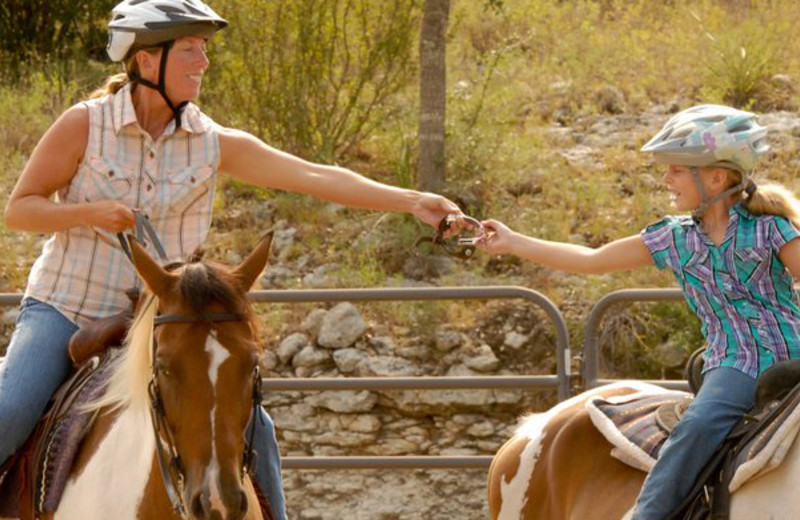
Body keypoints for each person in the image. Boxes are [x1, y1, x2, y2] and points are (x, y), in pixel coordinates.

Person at [0, 0, 466, 518]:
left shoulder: (212, 142)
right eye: (191, 50)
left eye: (204, 50)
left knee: (257, 427)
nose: (203, 62)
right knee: (10, 411)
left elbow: (315, 175)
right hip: (66, 306)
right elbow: (20, 210)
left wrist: (411, 201)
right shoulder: (85, 125)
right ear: (147, 61)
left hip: (163, 319)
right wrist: (92, 212)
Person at [476, 104, 800, 520]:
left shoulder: (771, 228)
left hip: (793, 352)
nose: (666, 179)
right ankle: (648, 514)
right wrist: (514, 242)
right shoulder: (674, 239)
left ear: (716, 177)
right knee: (696, 430)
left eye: (676, 170)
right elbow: (592, 258)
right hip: (737, 365)